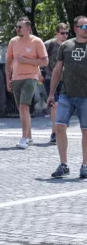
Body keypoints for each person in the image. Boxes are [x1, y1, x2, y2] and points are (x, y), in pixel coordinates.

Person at [48, 16, 87, 179]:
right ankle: (64, 164)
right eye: (84, 26)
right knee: (59, 127)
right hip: (66, 94)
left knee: (86, 130)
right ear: (76, 28)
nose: (86, 29)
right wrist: (51, 93)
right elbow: (57, 70)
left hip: (86, 96)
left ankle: (85, 166)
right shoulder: (66, 46)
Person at [6, 17, 48, 148]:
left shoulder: (37, 41)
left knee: (24, 106)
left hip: (31, 77)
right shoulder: (13, 41)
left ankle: (24, 138)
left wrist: (26, 61)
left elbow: (45, 61)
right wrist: (8, 78)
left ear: (28, 29)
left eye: (20, 27)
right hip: (16, 78)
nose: (17, 29)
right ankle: (29, 137)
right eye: (17, 27)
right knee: (22, 108)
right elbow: (9, 61)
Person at [44, 24, 69, 144]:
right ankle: (54, 132)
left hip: (66, 79)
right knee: (54, 105)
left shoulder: (69, 45)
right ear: (57, 33)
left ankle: (60, 130)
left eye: (67, 33)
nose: (65, 35)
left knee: (63, 106)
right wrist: (39, 73)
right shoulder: (49, 45)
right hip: (50, 78)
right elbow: (39, 58)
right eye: (62, 33)